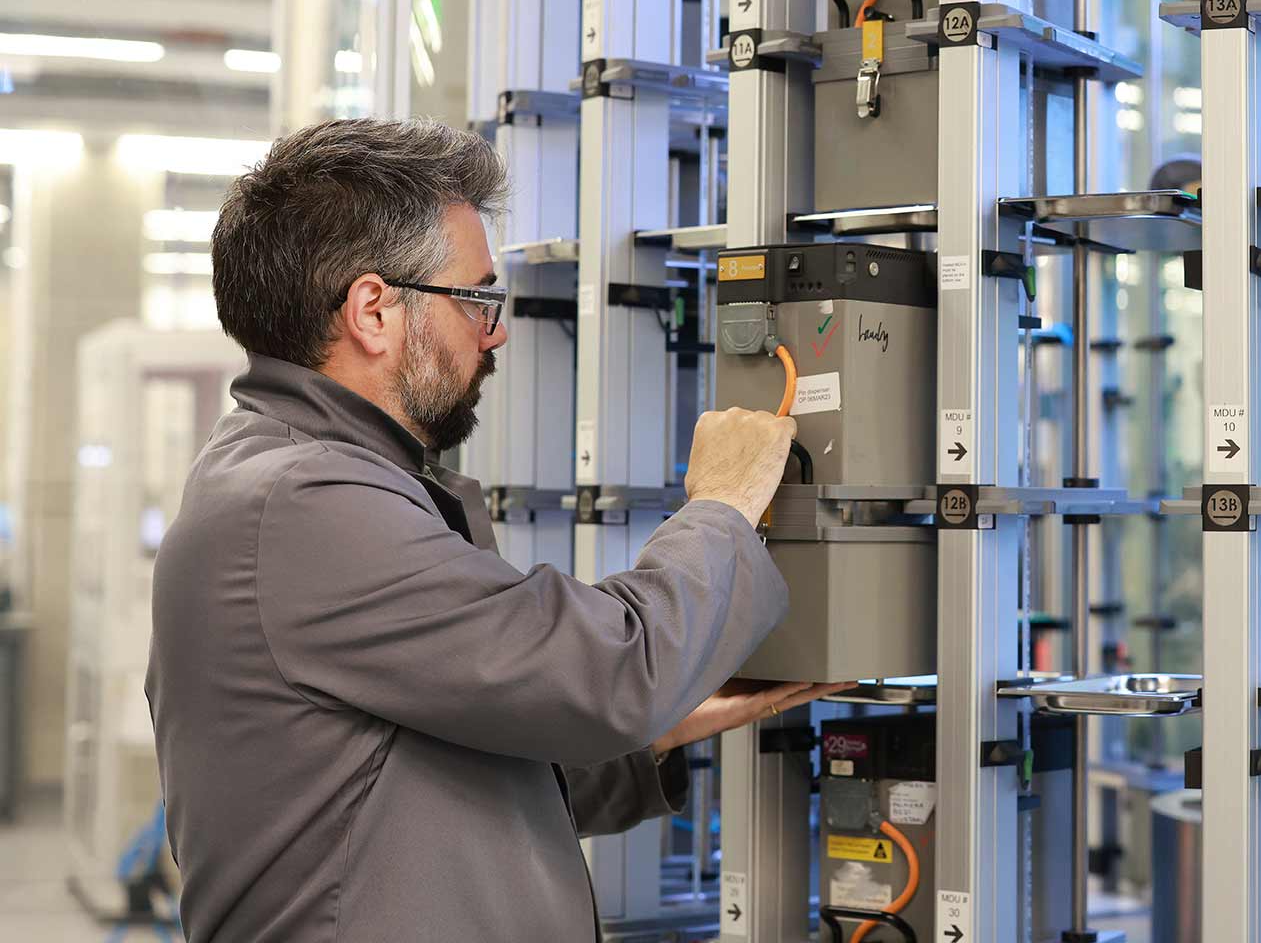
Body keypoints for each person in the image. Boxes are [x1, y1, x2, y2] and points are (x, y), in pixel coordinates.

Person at [146, 117, 837, 942]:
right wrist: (722, 503)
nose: (498, 329)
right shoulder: (305, 501)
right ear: (374, 311)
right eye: (478, 297)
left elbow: (433, 794)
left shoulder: (306, 477)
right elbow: (610, 675)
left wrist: (667, 721)